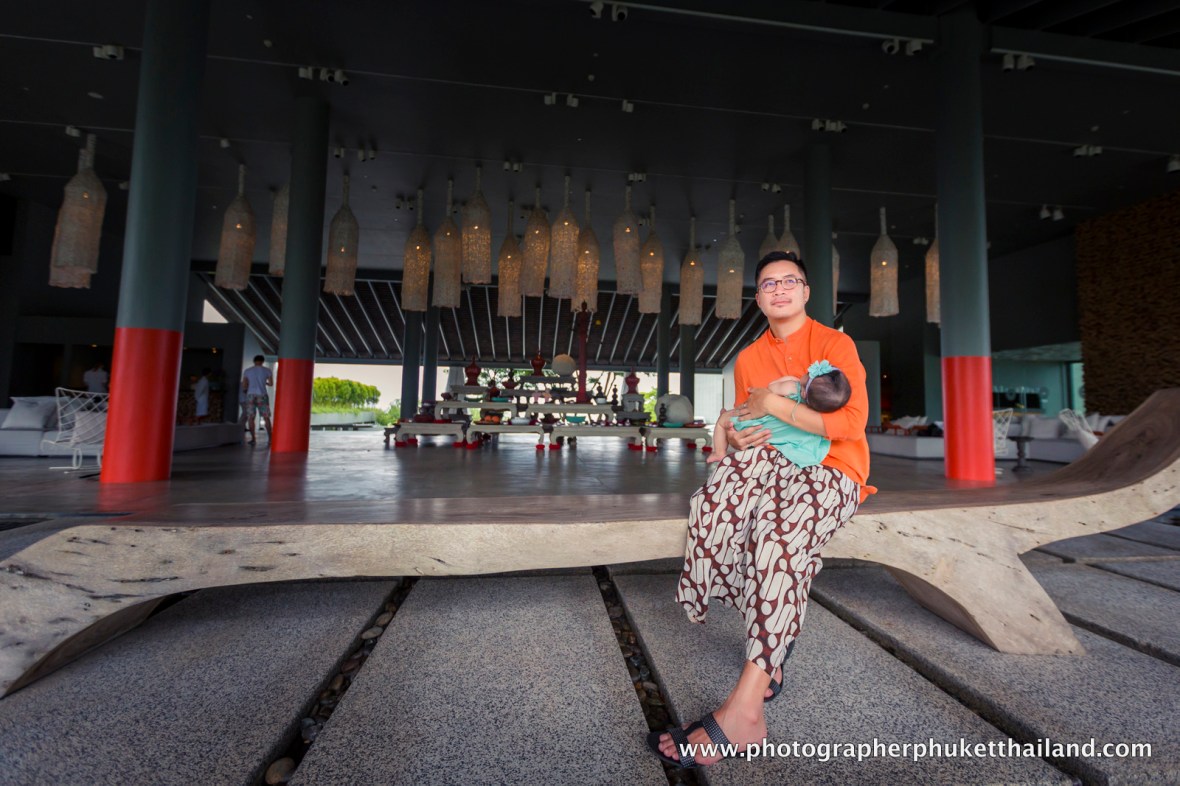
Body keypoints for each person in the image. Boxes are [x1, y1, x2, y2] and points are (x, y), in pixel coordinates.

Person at [648, 250, 875, 769]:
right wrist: (740, 434)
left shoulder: (834, 344)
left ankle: (744, 711)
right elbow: (741, 425)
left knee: (777, 538)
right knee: (714, 504)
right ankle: (772, 652)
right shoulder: (749, 357)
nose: (779, 289)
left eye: (789, 280)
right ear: (757, 297)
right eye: (768, 283)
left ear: (807, 291)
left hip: (834, 469)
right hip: (769, 463)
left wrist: (772, 405)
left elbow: (848, 425)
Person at [709, 360, 851, 468]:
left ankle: (719, 452)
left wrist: (790, 379)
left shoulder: (792, 387)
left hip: (756, 422)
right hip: (771, 435)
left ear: (803, 391)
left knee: (723, 420)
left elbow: (772, 388)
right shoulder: (814, 412)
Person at [241, 355, 273, 446]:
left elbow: (244, 385)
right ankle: (270, 439)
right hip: (262, 395)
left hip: (250, 395)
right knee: (266, 417)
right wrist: (264, 382)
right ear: (262, 361)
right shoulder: (267, 371)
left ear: (254, 361)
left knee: (251, 417)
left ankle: (253, 439)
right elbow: (271, 384)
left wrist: (247, 388)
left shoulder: (247, 371)